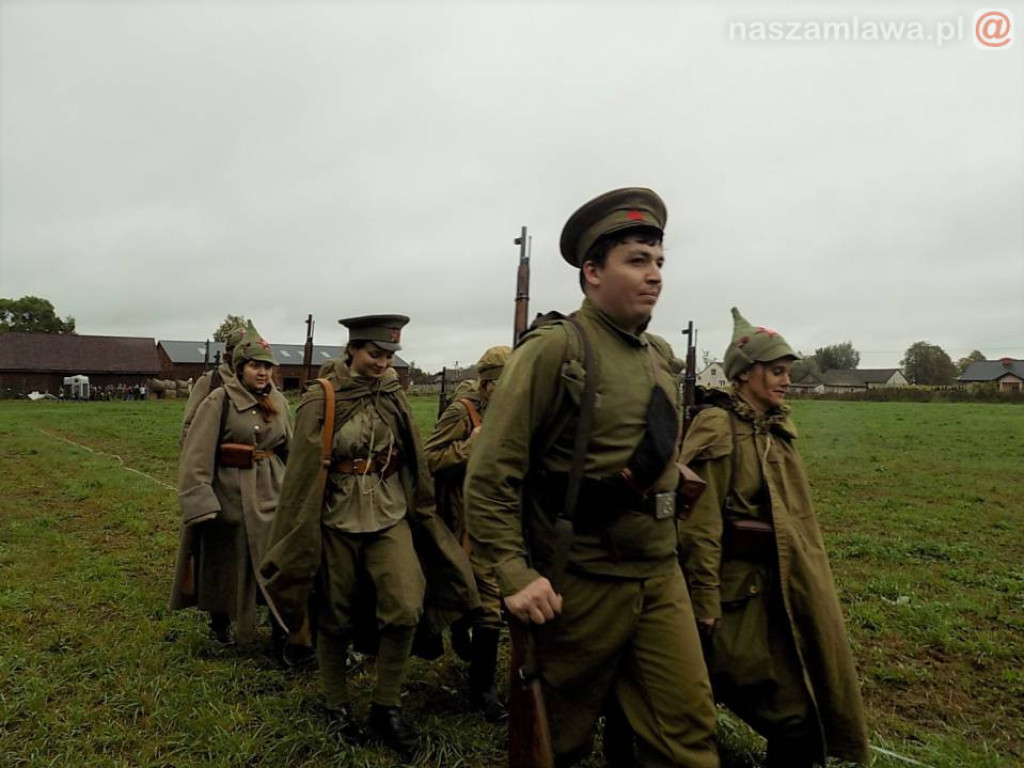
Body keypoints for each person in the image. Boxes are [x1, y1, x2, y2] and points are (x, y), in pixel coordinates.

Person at [465, 188, 719, 768]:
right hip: (577, 585)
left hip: (659, 576)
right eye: (637, 261)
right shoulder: (557, 349)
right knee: (559, 741)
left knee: (690, 736)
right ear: (592, 272)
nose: (654, 276)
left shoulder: (658, 355)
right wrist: (511, 571)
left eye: (658, 262)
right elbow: (490, 474)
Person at [259, 314, 479, 760]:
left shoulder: (393, 393)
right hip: (336, 514)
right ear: (353, 350)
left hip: (389, 509)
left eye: (389, 355)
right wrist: (298, 532)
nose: (382, 362)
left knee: (404, 604)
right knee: (335, 612)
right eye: (375, 354)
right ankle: (335, 703)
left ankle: (386, 706)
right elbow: (300, 476)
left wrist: (424, 506)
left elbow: (415, 456)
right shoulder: (322, 397)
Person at [678, 308, 870, 768]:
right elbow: (699, 528)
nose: (787, 381)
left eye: (789, 372)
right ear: (743, 375)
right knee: (791, 717)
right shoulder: (719, 428)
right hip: (731, 597)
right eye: (777, 371)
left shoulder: (775, 430)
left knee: (801, 703)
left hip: (774, 590)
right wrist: (704, 601)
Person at [169, 321, 292, 648]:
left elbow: (291, 450)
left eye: (267, 366)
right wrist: (200, 501)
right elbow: (196, 452)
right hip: (230, 490)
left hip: (271, 489)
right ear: (240, 367)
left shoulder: (280, 402)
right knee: (226, 558)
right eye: (255, 365)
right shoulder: (218, 399)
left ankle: (281, 627)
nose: (263, 373)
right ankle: (220, 620)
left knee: (276, 560)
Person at [423, 344, 512, 722]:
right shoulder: (464, 412)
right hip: (463, 522)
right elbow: (429, 459)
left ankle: (481, 687)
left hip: (500, 521)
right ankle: (482, 690)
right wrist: (469, 448)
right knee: (478, 595)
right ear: (489, 385)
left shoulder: (514, 413)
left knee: (489, 597)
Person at [180, 325, 247, 445]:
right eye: (240, 350)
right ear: (230, 353)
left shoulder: (260, 385)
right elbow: (189, 426)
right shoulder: (210, 381)